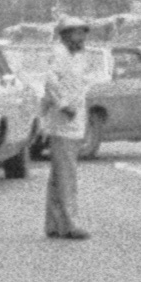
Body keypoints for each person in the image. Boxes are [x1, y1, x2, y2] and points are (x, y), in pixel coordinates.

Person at [43, 21, 95, 241]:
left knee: (59, 176)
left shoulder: (79, 56)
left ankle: (54, 224)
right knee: (67, 176)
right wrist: (64, 105)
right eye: (77, 34)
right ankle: (70, 224)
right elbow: (50, 81)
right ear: (65, 35)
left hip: (75, 124)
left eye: (84, 33)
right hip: (64, 123)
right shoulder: (60, 54)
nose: (82, 38)